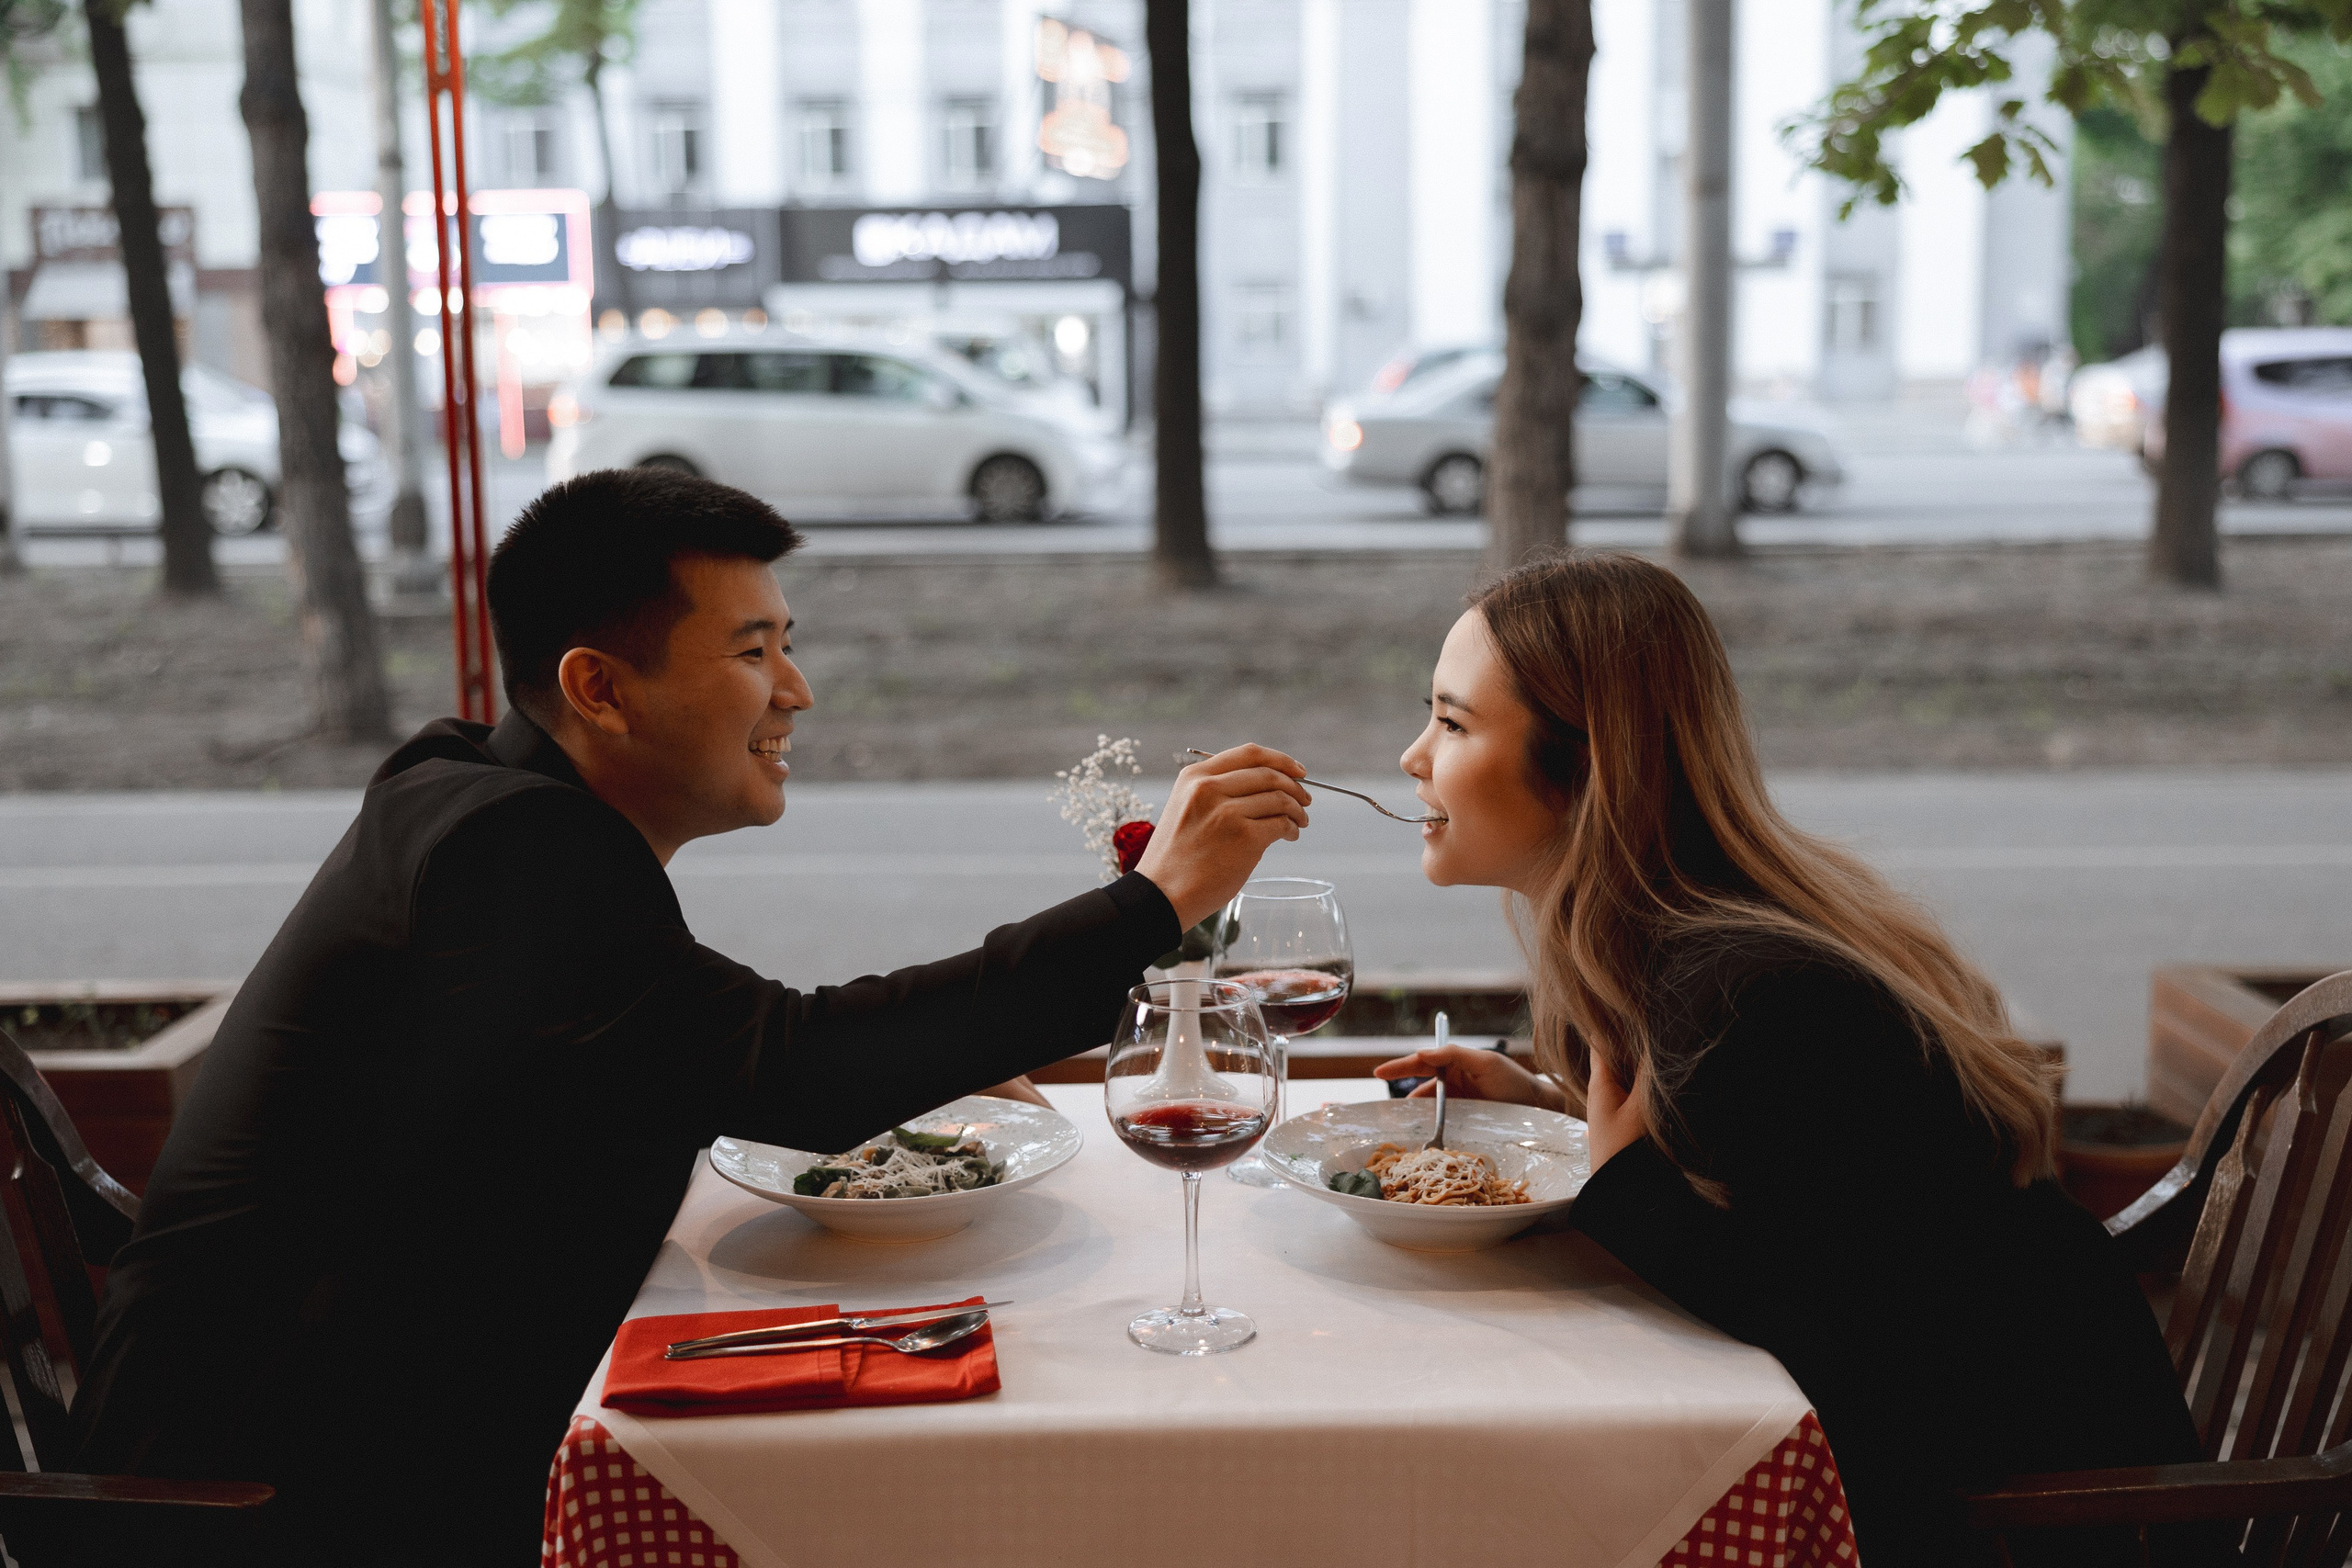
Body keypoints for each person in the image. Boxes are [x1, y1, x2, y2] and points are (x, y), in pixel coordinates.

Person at [68, 468, 1312, 1563]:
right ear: (600, 688)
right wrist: (1152, 904)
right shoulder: (508, 846)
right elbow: (797, 1069)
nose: (798, 690)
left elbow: (703, 1047)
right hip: (284, 1492)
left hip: (322, 1409)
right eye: (753, 649)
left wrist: (959, 1052)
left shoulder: (470, 784)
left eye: (788, 642)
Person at [1372, 553, 2203, 1567]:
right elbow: (1807, 1219)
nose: (1414, 756)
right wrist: (1547, 1107)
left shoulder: (1748, 1001)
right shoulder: (1679, 949)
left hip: (2026, 1518)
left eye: (1453, 724)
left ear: (1586, 767)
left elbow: (1859, 1357)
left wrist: (1629, 1191)